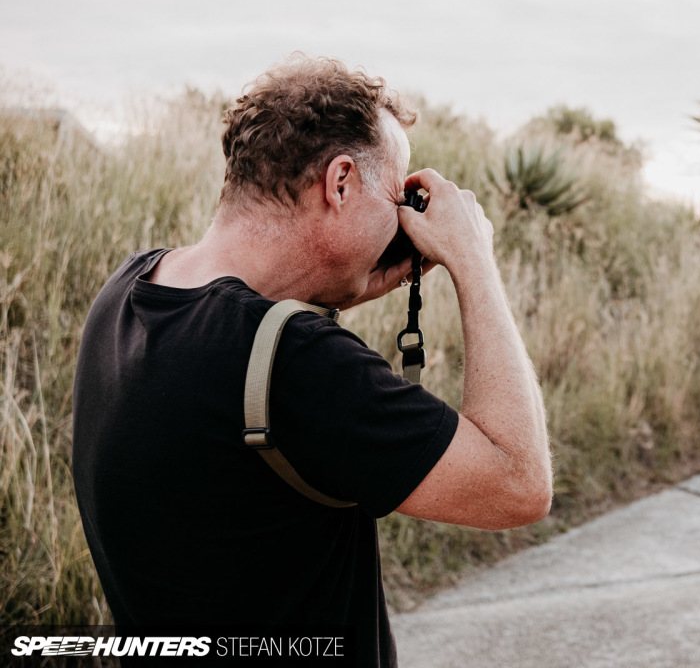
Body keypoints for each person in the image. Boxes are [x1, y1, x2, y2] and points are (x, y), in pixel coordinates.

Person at [71, 56, 553, 666]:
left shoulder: (130, 289)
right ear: (341, 182)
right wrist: (474, 261)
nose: (401, 219)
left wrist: (337, 289)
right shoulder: (298, 362)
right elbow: (519, 485)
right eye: (396, 192)